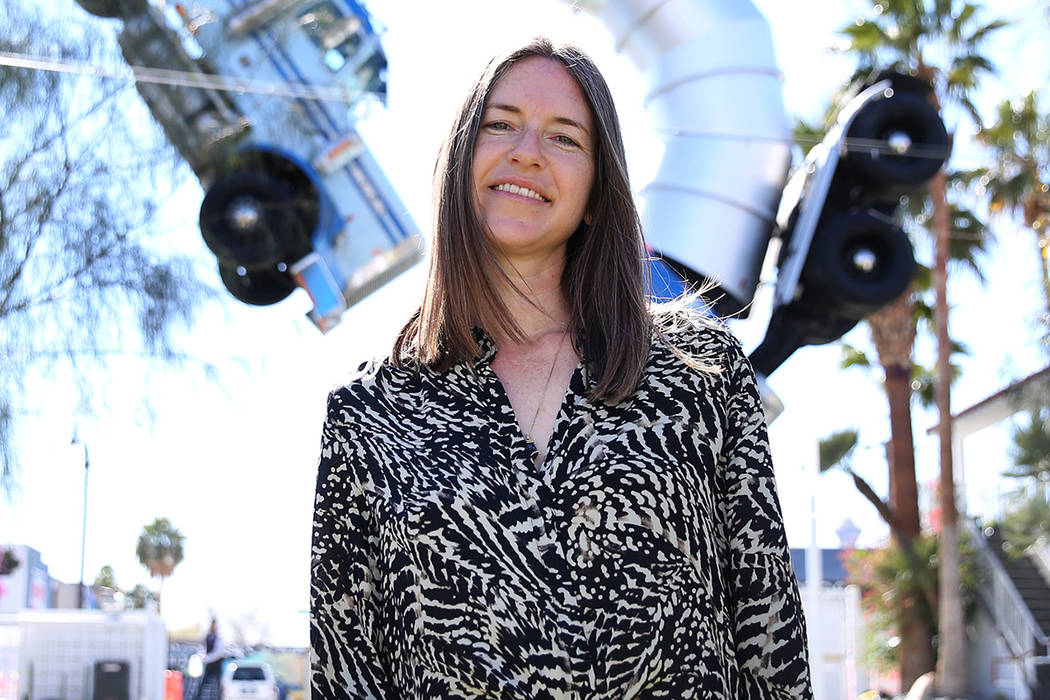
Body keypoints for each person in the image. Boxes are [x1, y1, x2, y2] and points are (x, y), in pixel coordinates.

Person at [311, 37, 813, 698]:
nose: (527, 153)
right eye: (500, 125)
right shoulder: (368, 415)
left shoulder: (701, 375)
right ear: (460, 159)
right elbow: (345, 671)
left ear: (599, 190)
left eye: (566, 138)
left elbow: (771, 638)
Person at [193, 617, 225, 700]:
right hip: (209, 665)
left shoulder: (219, 637)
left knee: (217, 686)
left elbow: (218, 652)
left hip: (216, 665)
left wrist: (208, 658)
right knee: (203, 684)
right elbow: (204, 648)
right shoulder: (208, 637)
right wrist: (202, 656)